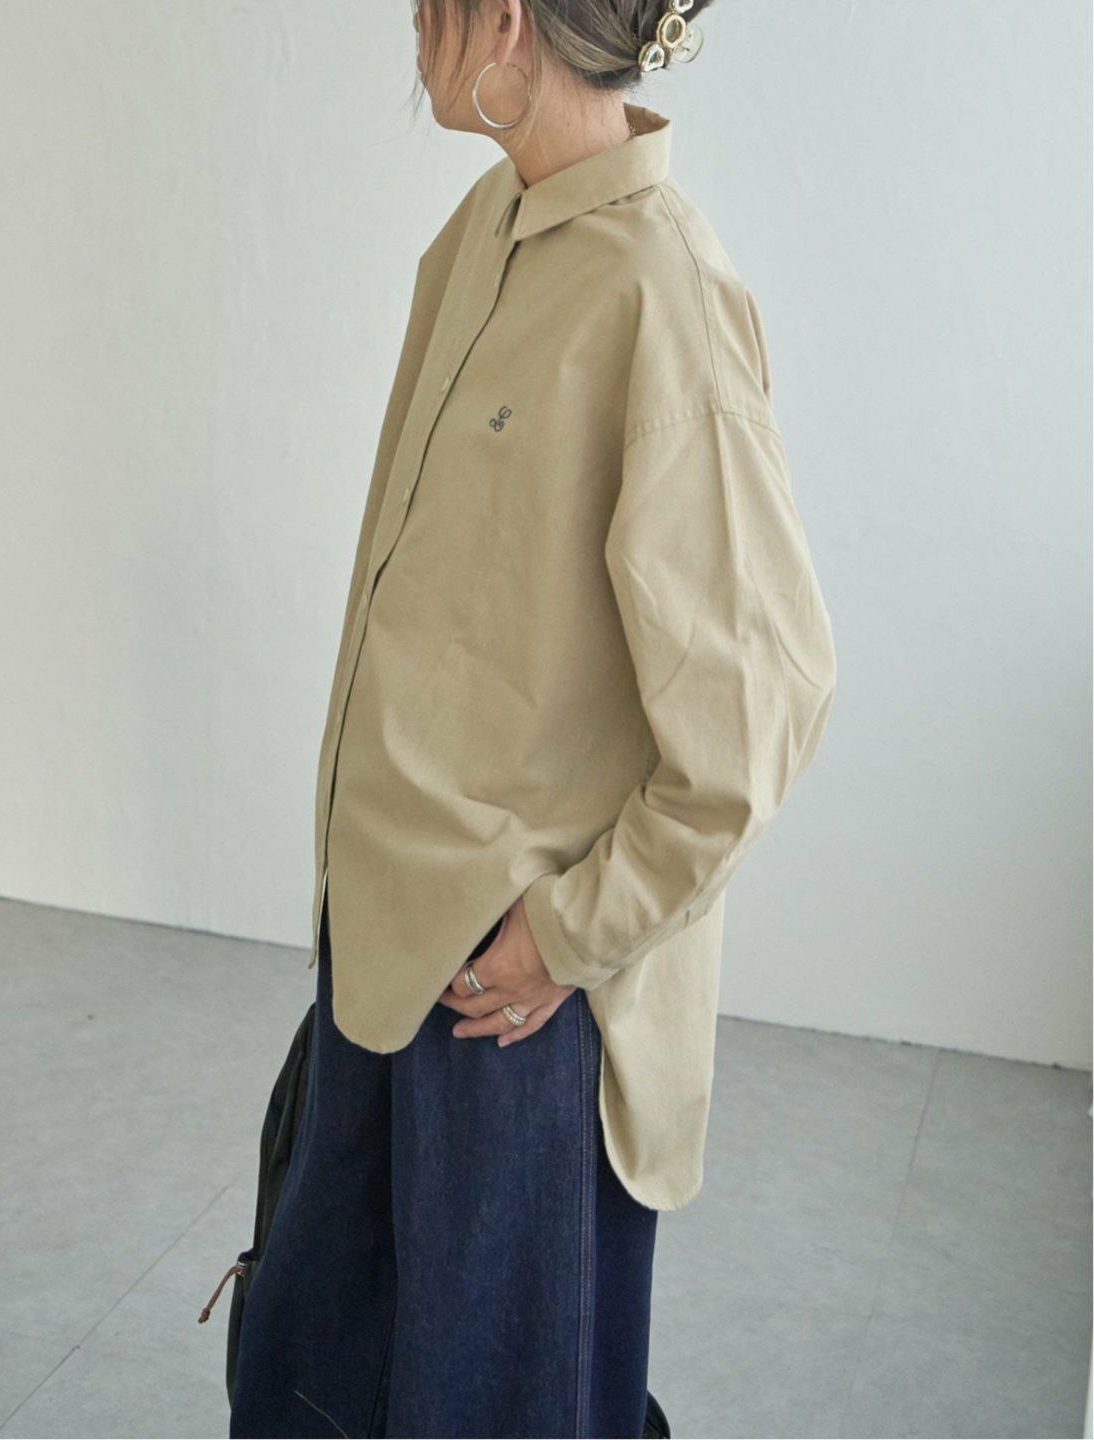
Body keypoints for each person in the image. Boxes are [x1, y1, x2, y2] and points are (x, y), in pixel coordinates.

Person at [229, 1, 837, 1436]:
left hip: (512, 1009)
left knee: (501, 1407)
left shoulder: (664, 295)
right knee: (320, 1380)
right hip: (386, 948)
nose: (413, 29)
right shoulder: (483, 234)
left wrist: (566, 935)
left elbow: (760, 710)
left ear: (502, 18)